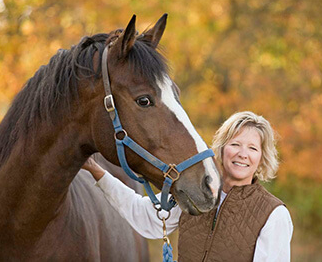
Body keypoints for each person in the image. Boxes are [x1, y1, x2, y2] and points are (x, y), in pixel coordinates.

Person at [83, 111, 293, 261]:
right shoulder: (196, 194)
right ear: (221, 149)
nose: (242, 154)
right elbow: (145, 216)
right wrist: (96, 171)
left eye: (253, 148)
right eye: (235, 144)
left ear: (262, 157)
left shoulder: (273, 214)